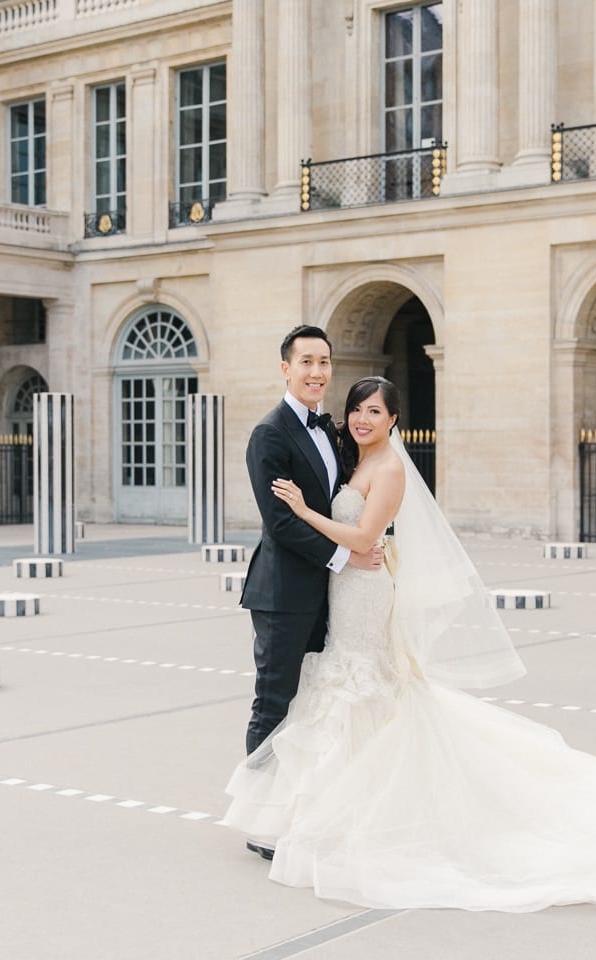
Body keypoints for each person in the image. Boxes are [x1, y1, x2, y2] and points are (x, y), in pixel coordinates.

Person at [221, 376, 596, 912]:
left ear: (395, 419)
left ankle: (354, 816)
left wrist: (303, 511)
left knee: (360, 689)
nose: (361, 418)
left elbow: (367, 534)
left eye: (374, 411)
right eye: (356, 410)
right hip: (347, 587)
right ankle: (326, 813)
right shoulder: (354, 458)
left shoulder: (391, 468)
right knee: (342, 694)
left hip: (363, 589)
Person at [238, 326, 384, 861]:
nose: (317, 372)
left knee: (310, 705)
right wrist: (348, 558)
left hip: (329, 593)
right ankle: (258, 821)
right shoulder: (269, 435)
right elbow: (281, 524)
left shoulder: (334, 432)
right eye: (306, 362)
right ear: (285, 368)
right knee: (274, 703)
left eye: (324, 361)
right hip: (282, 594)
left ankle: (297, 811)